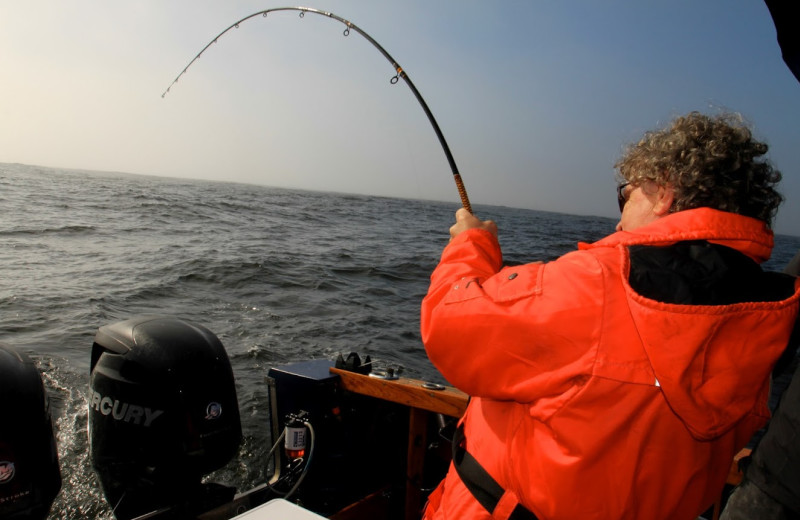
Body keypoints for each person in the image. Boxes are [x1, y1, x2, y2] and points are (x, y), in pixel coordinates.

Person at [420, 111, 800, 520]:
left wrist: (470, 246)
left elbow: (449, 325)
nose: (619, 216)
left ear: (664, 193)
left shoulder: (601, 283)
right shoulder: (768, 314)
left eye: (628, 194)